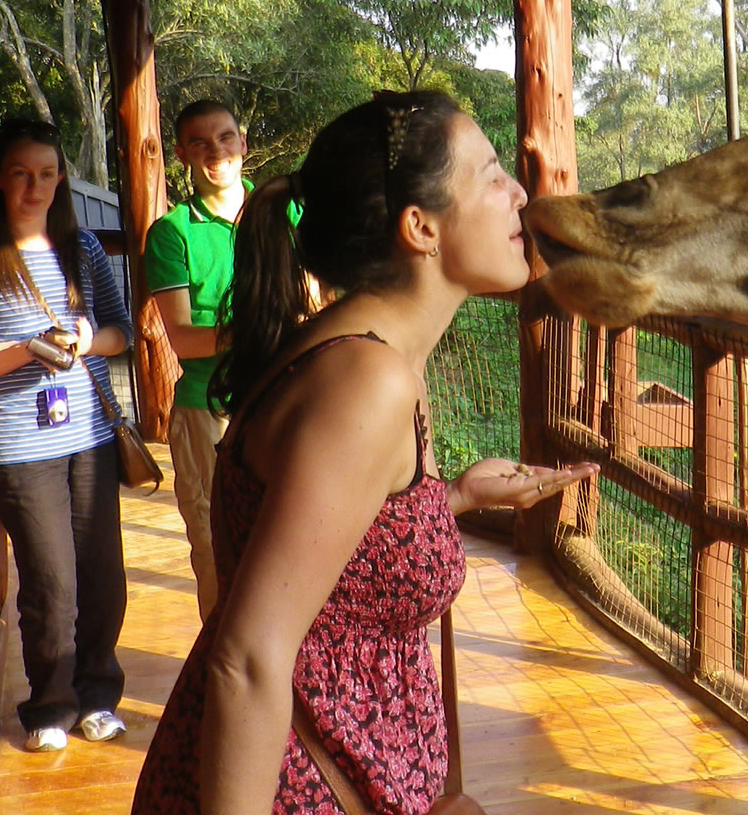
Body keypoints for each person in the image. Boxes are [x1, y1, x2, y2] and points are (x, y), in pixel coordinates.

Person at [130, 90, 598, 815]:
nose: (519, 194)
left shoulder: (369, 355)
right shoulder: (366, 380)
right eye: (492, 173)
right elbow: (248, 658)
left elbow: (326, 546)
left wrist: (460, 498)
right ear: (420, 227)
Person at [0, 117, 136, 754]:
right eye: (22, 174)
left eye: (48, 174)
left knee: (102, 575)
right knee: (51, 580)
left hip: (88, 435)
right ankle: (49, 705)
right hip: (20, 448)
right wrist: (28, 349)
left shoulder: (80, 249)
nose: (35, 186)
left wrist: (86, 340)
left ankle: (98, 695)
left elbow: (123, 333)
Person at [143, 98, 251, 620]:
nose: (217, 151)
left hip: (283, 400)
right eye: (201, 143)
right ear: (183, 153)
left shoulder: (284, 214)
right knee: (217, 552)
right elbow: (184, 339)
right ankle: (216, 684)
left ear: (243, 144)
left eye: (226, 137)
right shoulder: (172, 233)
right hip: (208, 409)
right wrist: (261, 326)